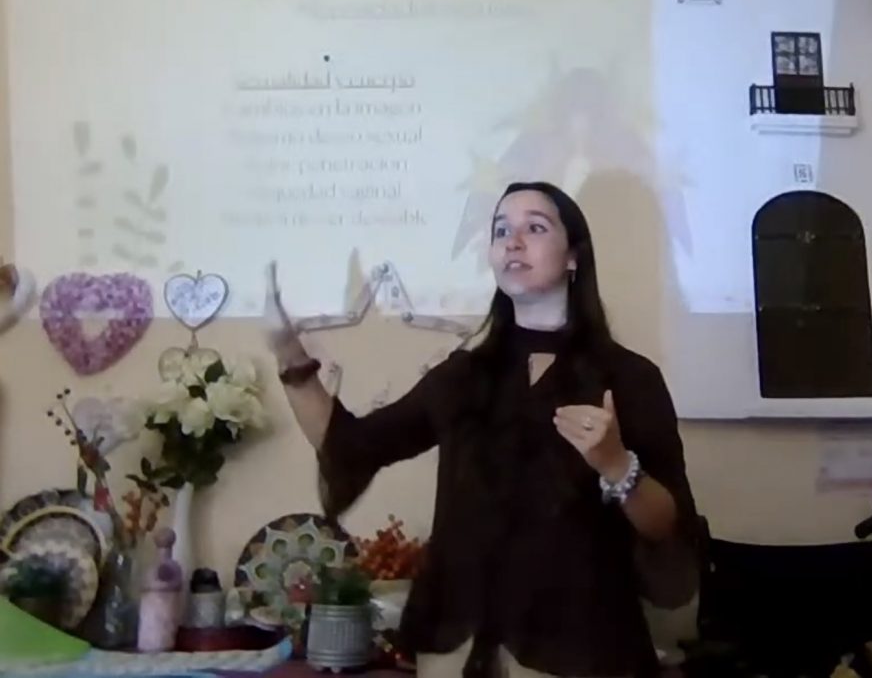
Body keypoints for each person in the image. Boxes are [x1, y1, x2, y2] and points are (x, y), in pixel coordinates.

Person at [266, 182, 701, 678]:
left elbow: (667, 524)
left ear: (573, 256)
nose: (513, 241)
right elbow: (350, 447)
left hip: (580, 645)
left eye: (535, 227)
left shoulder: (628, 377)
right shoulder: (464, 376)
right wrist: (288, 355)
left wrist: (616, 464)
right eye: (501, 230)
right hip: (457, 644)